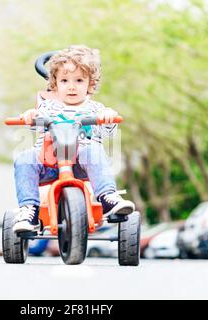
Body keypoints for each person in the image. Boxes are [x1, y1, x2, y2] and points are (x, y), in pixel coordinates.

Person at [13, 45, 135, 233]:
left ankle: (107, 197)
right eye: (64, 80)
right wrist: (30, 116)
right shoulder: (48, 108)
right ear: (54, 85)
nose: (71, 86)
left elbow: (107, 134)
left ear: (90, 84)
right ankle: (28, 210)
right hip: (50, 164)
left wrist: (108, 118)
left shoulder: (95, 109)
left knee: (93, 149)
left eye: (79, 80)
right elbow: (34, 121)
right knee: (24, 159)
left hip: (82, 165)